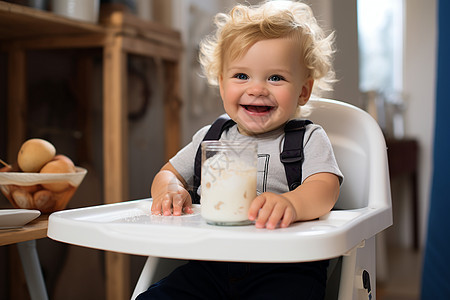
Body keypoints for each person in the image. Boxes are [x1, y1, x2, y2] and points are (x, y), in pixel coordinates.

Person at [138, 1, 343, 299]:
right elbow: (167, 174)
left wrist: (293, 204)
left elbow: (326, 188)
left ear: (303, 90)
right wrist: (170, 190)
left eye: (275, 77)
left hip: (286, 268)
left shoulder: (308, 138)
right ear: (222, 84)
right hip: (210, 265)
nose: (257, 88)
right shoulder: (211, 138)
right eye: (241, 76)